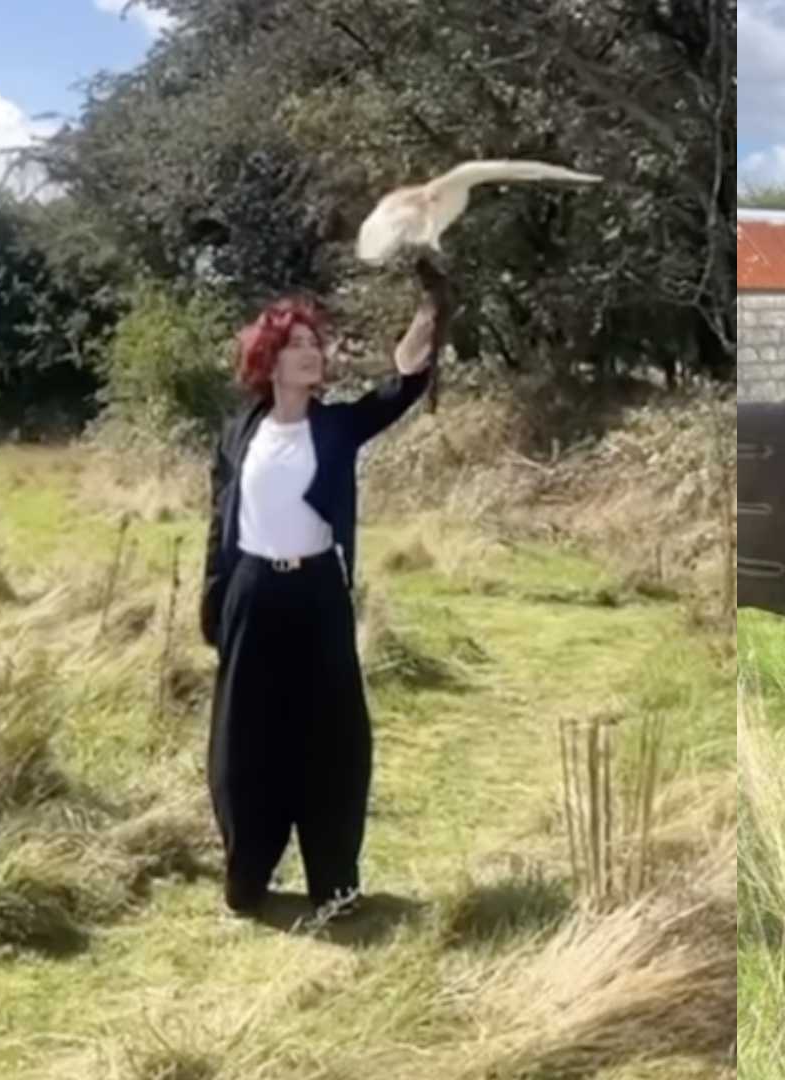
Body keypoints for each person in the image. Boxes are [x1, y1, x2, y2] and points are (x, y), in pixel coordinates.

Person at [199, 261, 450, 922]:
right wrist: (214, 606)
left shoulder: (335, 428)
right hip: (252, 594)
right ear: (269, 360)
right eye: (298, 346)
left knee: (332, 743)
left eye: (316, 345)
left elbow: (399, 391)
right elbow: (217, 523)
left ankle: (334, 885)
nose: (312, 355)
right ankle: (248, 879)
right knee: (243, 744)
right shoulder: (238, 434)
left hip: (316, 595)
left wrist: (425, 320)